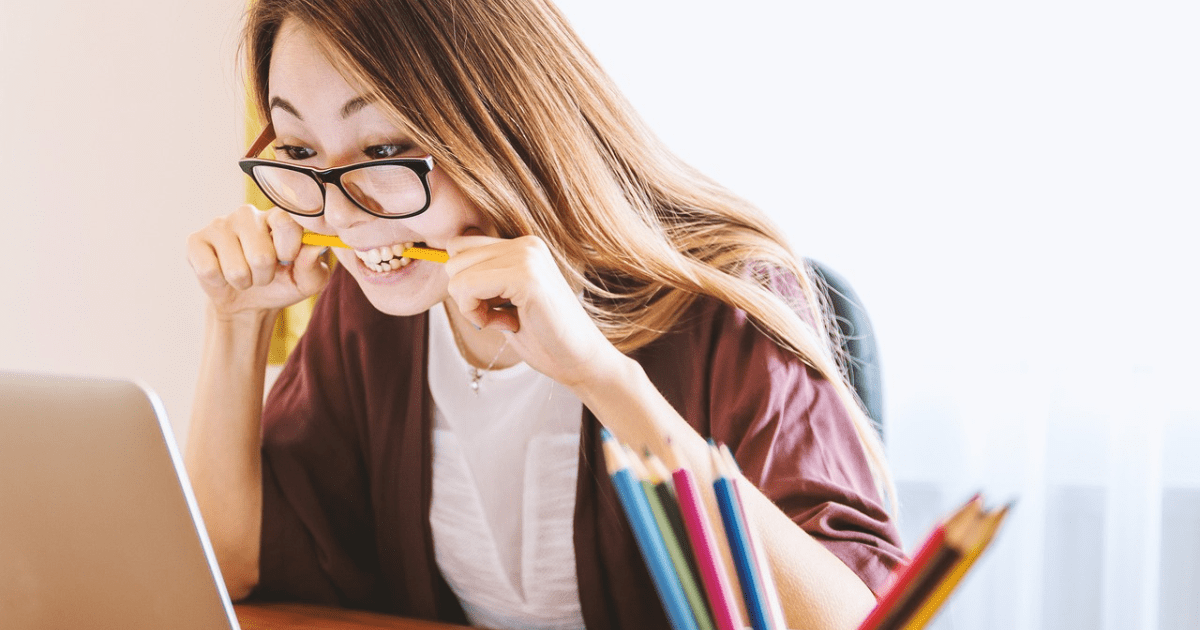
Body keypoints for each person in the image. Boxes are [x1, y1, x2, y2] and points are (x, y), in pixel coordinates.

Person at [184, 1, 905, 629]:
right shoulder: (374, 309)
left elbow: (851, 620)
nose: (342, 216)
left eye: (384, 149)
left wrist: (600, 377)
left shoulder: (726, 300)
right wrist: (236, 324)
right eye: (303, 152)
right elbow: (232, 566)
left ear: (503, 122)